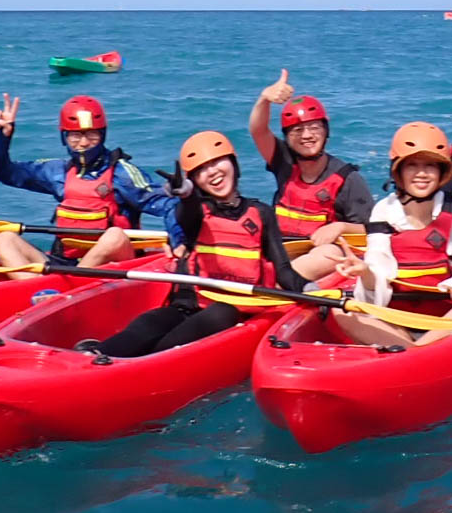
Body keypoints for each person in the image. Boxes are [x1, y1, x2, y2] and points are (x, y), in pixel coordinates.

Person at [91, 131, 307, 357]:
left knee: (222, 313)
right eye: (201, 170)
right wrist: (185, 194)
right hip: (188, 306)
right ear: (195, 181)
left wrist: (311, 290)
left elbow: (283, 270)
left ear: (233, 164)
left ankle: (145, 361)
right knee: (151, 321)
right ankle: (97, 353)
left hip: (237, 310)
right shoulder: (198, 212)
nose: (212, 172)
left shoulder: (261, 213)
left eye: (217, 162)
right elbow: (187, 213)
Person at [331, 122, 452, 347]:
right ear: (398, 171)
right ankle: (419, 350)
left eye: (430, 165)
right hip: (397, 320)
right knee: (341, 312)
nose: (421, 174)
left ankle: (419, 348)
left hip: (446, 319)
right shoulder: (384, 211)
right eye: (412, 165)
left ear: (441, 171)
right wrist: (365, 271)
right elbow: (376, 283)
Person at [0, 93, 176, 269]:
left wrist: (178, 242)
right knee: (4, 239)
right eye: (75, 135)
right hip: (66, 262)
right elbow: (4, 172)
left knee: (114, 236)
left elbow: (169, 205)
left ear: (102, 135)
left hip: (115, 265)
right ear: (64, 137)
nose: (84, 143)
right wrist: (3, 137)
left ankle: (69, 281)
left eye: (91, 134)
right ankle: (33, 286)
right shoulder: (58, 172)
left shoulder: (122, 174)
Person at [247, 69, 375, 280]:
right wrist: (264, 99)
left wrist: (340, 227)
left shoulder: (348, 179)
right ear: (287, 137)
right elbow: (258, 131)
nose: (307, 135)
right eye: (297, 130)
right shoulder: (283, 162)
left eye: (314, 127)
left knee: (328, 253)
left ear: (326, 131)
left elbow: (374, 230)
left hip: (321, 258)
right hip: (283, 251)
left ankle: (277, 284)